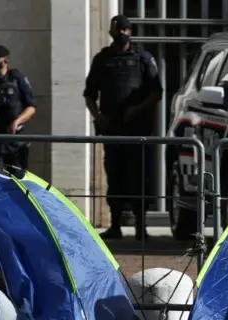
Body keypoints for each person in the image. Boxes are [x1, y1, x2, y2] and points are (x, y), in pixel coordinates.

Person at [83, 14, 163, 240]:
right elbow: (89, 94)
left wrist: (137, 109)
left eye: (124, 31)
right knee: (115, 177)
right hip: (112, 129)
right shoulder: (102, 59)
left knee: (139, 177)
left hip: (137, 130)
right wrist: (98, 117)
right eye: (117, 31)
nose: (121, 35)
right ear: (111, 33)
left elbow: (156, 92)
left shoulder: (143, 59)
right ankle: (115, 225)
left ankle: (140, 227)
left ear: (131, 32)